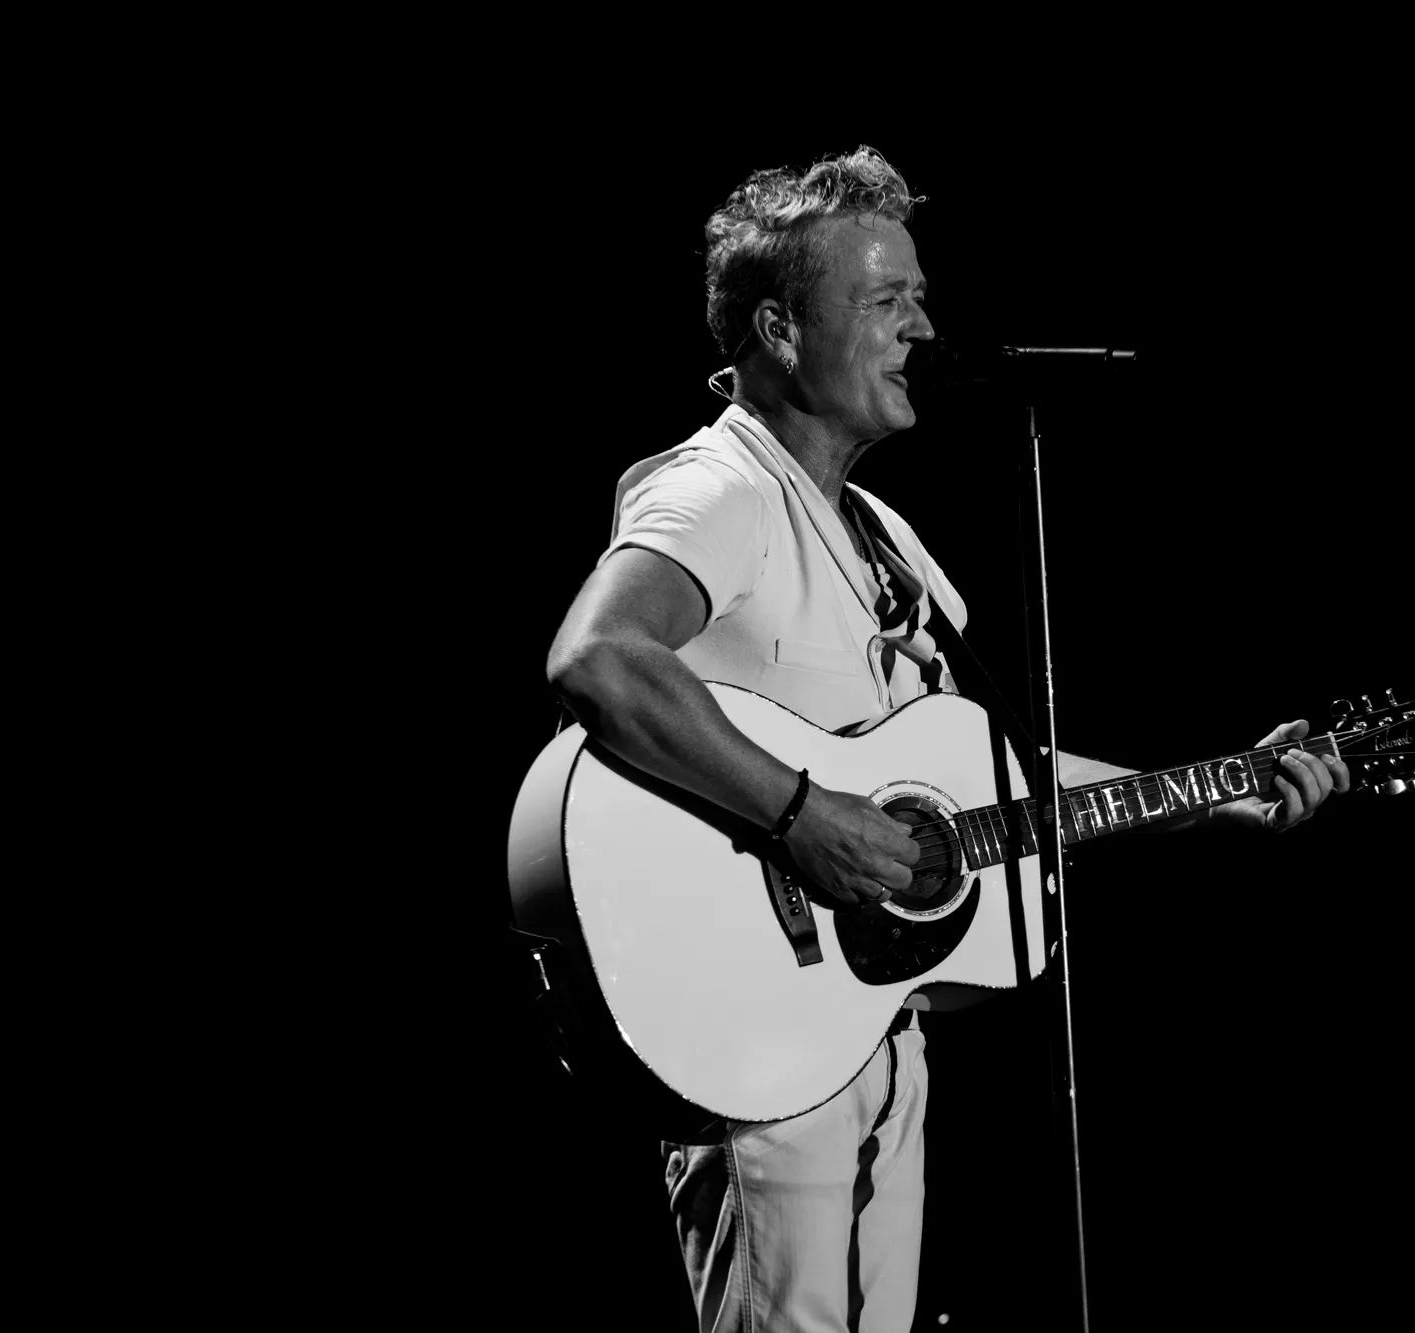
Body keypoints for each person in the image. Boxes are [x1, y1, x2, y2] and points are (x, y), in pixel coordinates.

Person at [544, 145, 1348, 1333]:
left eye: (917, 297)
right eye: (885, 300)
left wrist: (1212, 791)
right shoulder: (722, 490)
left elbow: (994, 778)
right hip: (754, 1025)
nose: (921, 328)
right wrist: (803, 816)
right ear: (777, 328)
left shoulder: (883, 536)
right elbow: (600, 656)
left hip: (871, 1019)